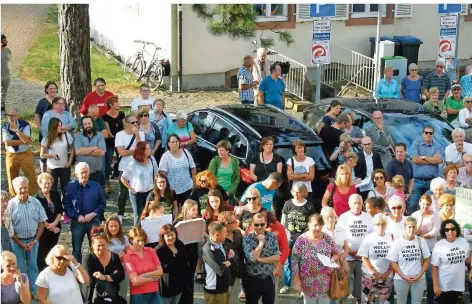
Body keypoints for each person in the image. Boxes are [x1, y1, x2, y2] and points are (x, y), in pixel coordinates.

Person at [4, 176, 48, 300]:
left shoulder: (35, 202)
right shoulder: (11, 205)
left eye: (25, 187)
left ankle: (33, 290)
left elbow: (41, 222)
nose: (23, 190)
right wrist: (20, 243)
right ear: (15, 189)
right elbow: (9, 228)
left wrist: (35, 240)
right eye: (20, 188)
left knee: (33, 265)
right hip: (16, 242)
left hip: (33, 240)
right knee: (19, 268)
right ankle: (21, 291)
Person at [292, 213, 340, 304]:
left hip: (325, 281)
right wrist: (296, 281)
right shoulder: (301, 240)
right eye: (315, 225)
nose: (318, 228)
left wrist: (332, 261)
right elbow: (294, 261)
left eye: (320, 225)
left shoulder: (327, 238)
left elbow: (336, 253)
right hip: (307, 282)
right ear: (309, 225)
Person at [63, 162, 106, 263]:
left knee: (96, 248)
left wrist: (94, 213)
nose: (84, 175)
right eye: (82, 173)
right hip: (78, 222)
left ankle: (95, 270)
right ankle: (78, 274)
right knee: (76, 250)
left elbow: (102, 203)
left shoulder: (96, 186)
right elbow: (66, 205)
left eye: (86, 172)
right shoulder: (70, 187)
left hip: (94, 221)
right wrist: (77, 216)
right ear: (76, 174)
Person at [337, 194, 374, 304]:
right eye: (354, 203)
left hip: (363, 258)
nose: (357, 205)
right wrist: (349, 251)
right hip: (347, 256)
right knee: (344, 283)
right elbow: (339, 236)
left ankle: (360, 301)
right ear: (349, 204)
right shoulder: (344, 217)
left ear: (362, 203)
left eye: (359, 203)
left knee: (360, 285)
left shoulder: (368, 217)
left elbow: (372, 236)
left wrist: (363, 252)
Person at [279, 183, 315, 294]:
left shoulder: (309, 206)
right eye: (294, 191)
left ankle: (303, 285)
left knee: (304, 262)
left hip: (303, 238)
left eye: (299, 191)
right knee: (287, 262)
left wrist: (308, 236)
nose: (296, 194)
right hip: (289, 237)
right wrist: (285, 233)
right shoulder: (288, 204)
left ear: (304, 192)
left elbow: (312, 223)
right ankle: (287, 283)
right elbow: (283, 221)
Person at [386, 217, 431, 304]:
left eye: (414, 227)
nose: (412, 229)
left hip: (418, 278)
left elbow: (427, 259)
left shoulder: (421, 241)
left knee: (417, 302)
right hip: (401, 278)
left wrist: (419, 275)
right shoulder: (398, 242)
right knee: (401, 302)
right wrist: (403, 276)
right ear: (405, 227)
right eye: (409, 227)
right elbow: (393, 262)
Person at [242, 212, 280, 304]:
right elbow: (251, 258)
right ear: (252, 224)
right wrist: (261, 243)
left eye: (262, 224)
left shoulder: (272, 236)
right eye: (256, 224)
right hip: (252, 279)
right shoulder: (247, 238)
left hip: (268, 277)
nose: (259, 227)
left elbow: (277, 257)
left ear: (266, 224)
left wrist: (260, 259)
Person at [357, 213, 394, 304]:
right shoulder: (368, 238)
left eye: (383, 224)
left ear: (386, 224)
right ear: (374, 225)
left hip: (386, 276)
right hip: (369, 276)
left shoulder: (392, 238)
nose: (380, 226)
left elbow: (395, 258)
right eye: (378, 224)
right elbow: (364, 258)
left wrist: (388, 272)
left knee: (384, 301)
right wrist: (374, 272)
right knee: (367, 300)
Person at [2, 107, 38, 197]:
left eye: (12, 115)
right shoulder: (5, 126)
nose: (10, 117)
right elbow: (7, 142)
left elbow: (26, 139)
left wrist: (17, 130)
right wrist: (24, 141)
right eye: (8, 115)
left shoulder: (25, 125)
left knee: (30, 176)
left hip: (25, 154)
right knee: (11, 177)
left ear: (17, 116)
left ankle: (33, 196)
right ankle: (14, 198)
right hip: (11, 155)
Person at [411, 194, 441, 304]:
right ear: (419, 203)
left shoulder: (435, 215)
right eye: (423, 204)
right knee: (416, 275)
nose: (425, 207)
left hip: (430, 249)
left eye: (428, 205)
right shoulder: (414, 215)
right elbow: (414, 232)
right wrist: (421, 217)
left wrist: (422, 237)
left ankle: (430, 299)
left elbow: (434, 232)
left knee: (430, 276)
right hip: (417, 250)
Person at [432, 219, 470, 304]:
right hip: (444, 287)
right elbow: (434, 267)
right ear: (443, 232)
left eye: (453, 229)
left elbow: (468, 259)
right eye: (447, 230)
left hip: (458, 286)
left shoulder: (463, 242)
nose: (450, 232)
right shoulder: (439, 245)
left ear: (457, 229)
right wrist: (436, 285)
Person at [121, 141, 159, 226]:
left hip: (150, 192)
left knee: (150, 213)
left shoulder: (152, 160)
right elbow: (123, 178)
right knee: (138, 215)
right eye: (148, 149)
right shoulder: (133, 164)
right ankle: (137, 234)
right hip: (136, 194)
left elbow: (156, 174)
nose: (150, 150)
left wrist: (156, 187)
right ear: (142, 151)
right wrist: (131, 189)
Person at [408, 125, 444, 215]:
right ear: (422, 134)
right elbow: (415, 160)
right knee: (412, 205)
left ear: (433, 134)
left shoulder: (437, 146)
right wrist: (432, 160)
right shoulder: (416, 144)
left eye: (430, 133)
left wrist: (424, 157)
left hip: (432, 182)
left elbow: (439, 160)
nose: (428, 134)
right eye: (426, 132)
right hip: (417, 181)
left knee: (431, 206)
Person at [115, 114, 144, 222]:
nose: (136, 124)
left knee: (139, 190)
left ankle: (140, 213)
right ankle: (120, 213)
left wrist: (137, 135)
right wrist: (135, 151)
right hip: (124, 167)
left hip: (138, 167)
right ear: (126, 124)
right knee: (123, 192)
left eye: (137, 122)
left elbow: (142, 149)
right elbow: (121, 152)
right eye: (133, 123)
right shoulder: (120, 135)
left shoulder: (140, 134)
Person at [86, 226, 125, 304]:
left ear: (107, 244)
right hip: (95, 297)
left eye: (103, 245)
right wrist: (112, 276)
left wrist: (105, 277)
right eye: (98, 246)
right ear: (92, 246)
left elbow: (121, 275)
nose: (101, 248)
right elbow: (88, 279)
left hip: (113, 296)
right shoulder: (88, 258)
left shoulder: (114, 257)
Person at [124, 227, 163, 304]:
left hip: (154, 291)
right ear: (131, 240)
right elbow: (135, 281)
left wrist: (145, 275)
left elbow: (160, 271)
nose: (141, 243)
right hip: (138, 295)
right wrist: (153, 278)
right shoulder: (128, 256)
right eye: (138, 240)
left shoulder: (151, 251)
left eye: (142, 240)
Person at [35, 81, 65, 172]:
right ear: (46, 90)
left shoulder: (61, 101)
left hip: (59, 132)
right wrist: (39, 126)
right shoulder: (42, 102)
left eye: (54, 88)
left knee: (58, 151)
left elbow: (66, 113)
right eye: (50, 89)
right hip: (46, 133)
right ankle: (44, 174)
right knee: (44, 154)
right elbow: (37, 114)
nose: (53, 90)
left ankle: (57, 172)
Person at [35, 173, 63, 272]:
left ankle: (53, 270)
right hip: (43, 230)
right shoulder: (36, 199)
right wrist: (50, 226)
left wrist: (55, 223)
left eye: (49, 183)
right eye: (45, 183)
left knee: (53, 251)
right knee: (42, 253)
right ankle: (43, 272)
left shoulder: (55, 194)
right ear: (40, 184)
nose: (47, 185)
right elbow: (37, 216)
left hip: (56, 228)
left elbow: (60, 210)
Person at [159, 134, 197, 207]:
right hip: (172, 191)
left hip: (188, 188)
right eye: (172, 142)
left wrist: (194, 181)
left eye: (177, 141)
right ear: (168, 144)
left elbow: (193, 167)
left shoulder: (185, 152)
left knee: (188, 211)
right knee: (174, 213)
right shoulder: (165, 157)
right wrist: (166, 188)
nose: (175, 143)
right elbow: (162, 174)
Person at [173, 200, 199, 304]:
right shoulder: (178, 222)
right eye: (193, 210)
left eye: (196, 209)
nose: (195, 212)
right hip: (182, 253)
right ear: (186, 209)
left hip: (193, 253)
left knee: (190, 279)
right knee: (182, 279)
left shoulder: (196, 220)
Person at [40, 117, 74, 195]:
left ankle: (66, 205)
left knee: (66, 188)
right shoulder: (46, 139)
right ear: (53, 127)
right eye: (58, 126)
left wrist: (69, 162)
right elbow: (42, 154)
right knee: (52, 189)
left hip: (64, 166)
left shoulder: (66, 135)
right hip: (52, 167)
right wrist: (52, 155)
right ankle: (54, 205)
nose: (60, 127)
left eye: (61, 125)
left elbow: (72, 149)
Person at [202, 221, 234, 304]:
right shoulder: (208, 250)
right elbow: (221, 270)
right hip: (214, 292)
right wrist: (229, 263)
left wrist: (229, 262)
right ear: (217, 235)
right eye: (224, 232)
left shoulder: (221, 244)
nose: (226, 234)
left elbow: (233, 259)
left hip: (223, 288)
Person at [155, 224, 188, 304]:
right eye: (167, 236)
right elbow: (160, 267)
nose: (170, 237)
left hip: (179, 283)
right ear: (163, 237)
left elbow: (185, 260)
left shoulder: (180, 244)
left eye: (172, 235)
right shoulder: (159, 250)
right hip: (167, 285)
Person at [102, 95, 125, 193]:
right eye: (117, 103)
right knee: (108, 161)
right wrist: (115, 138)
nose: (119, 105)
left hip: (121, 140)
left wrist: (121, 139)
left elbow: (124, 127)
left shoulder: (121, 114)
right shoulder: (105, 117)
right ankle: (107, 182)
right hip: (110, 141)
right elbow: (109, 132)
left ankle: (123, 181)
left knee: (123, 160)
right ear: (111, 105)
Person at [75, 115, 106, 186]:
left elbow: (101, 152)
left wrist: (84, 151)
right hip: (82, 173)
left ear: (92, 124)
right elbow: (78, 151)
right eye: (85, 124)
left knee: (97, 194)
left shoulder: (99, 135)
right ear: (82, 126)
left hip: (97, 171)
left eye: (89, 123)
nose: (87, 126)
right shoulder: (78, 137)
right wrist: (94, 148)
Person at [104, 214, 130, 301]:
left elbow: (128, 251)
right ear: (107, 227)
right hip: (109, 269)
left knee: (123, 291)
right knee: (110, 292)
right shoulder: (105, 239)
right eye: (111, 226)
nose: (114, 228)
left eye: (116, 226)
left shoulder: (124, 238)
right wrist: (118, 257)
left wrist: (124, 256)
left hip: (122, 267)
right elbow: (104, 255)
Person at [217, 211, 244, 291]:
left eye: (236, 220)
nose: (237, 222)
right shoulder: (219, 241)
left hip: (239, 274)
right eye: (233, 222)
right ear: (225, 225)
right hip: (226, 277)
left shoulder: (238, 233)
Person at [208, 140, 241, 205]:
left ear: (227, 151)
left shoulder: (234, 161)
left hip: (229, 193)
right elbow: (209, 177)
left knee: (228, 212)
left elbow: (237, 178)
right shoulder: (215, 161)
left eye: (222, 150)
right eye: (218, 150)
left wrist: (229, 192)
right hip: (216, 192)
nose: (219, 152)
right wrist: (215, 191)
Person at [321, 206, 350, 273]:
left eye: (332, 216)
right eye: (327, 217)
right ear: (323, 219)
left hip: (340, 258)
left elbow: (346, 248)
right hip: (326, 260)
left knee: (345, 271)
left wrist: (340, 260)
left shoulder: (342, 230)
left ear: (335, 217)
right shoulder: (321, 232)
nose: (330, 219)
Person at [355, 136, 384, 200]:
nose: (367, 146)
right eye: (365, 144)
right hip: (361, 184)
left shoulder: (376, 155)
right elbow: (353, 170)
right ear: (361, 145)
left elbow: (380, 169)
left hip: (374, 183)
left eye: (369, 144)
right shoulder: (357, 156)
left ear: (372, 144)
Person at [149, 99, 173, 163]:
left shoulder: (166, 116)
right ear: (153, 106)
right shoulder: (148, 114)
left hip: (161, 142)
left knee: (159, 160)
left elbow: (170, 130)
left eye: (160, 105)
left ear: (163, 107)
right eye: (157, 104)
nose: (158, 106)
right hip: (149, 141)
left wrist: (167, 145)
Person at [1, 34, 11, 111]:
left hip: (7, 74)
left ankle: (2, 107)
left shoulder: (8, 49)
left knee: (4, 91)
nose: (6, 41)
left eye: (6, 39)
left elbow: (9, 59)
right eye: (4, 40)